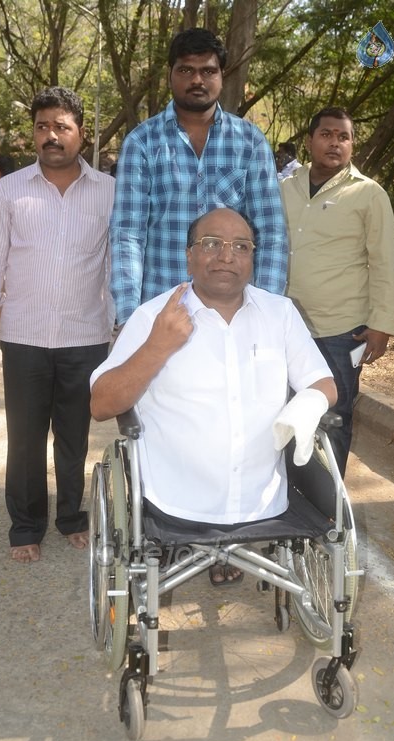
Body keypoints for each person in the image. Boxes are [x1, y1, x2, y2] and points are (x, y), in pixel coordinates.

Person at [90, 208, 336, 585]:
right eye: (211, 244)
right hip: (174, 499)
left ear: (253, 257)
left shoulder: (279, 313)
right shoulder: (153, 316)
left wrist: (307, 404)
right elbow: (102, 405)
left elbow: (324, 383)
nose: (226, 256)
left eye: (241, 246)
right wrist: (158, 346)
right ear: (189, 254)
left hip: (264, 500)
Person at [0, 86, 116, 564]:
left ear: (80, 133)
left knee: (73, 439)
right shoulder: (10, 191)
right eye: (42, 126)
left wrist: (121, 335)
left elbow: (117, 266)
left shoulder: (109, 192)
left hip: (86, 337)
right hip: (25, 338)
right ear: (33, 132)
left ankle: (71, 516)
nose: (51, 135)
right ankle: (26, 524)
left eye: (62, 126)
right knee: (25, 439)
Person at [110, 27, 288, 325]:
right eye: (186, 70)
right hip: (162, 311)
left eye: (207, 71)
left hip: (234, 314)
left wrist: (265, 314)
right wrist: (131, 319)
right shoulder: (142, 143)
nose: (196, 80)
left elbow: (270, 233)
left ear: (221, 75)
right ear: (171, 74)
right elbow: (128, 234)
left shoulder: (249, 142)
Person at [281, 106, 394, 477]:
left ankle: (328, 514)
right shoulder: (286, 187)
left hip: (341, 330)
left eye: (343, 137)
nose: (335, 143)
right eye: (327, 134)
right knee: (283, 413)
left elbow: (384, 261)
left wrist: (381, 324)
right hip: (285, 327)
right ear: (310, 140)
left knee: (333, 417)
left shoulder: (368, 194)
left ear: (352, 145)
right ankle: (287, 503)